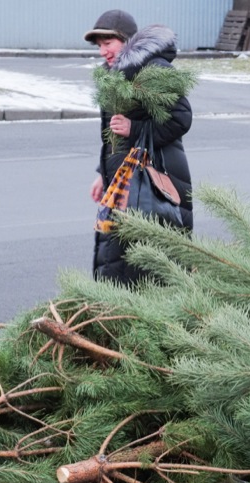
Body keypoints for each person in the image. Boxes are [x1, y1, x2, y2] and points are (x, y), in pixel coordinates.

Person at [84, 9, 194, 283]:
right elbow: (113, 134)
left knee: (144, 265)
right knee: (117, 260)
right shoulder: (114, 75)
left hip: (154, 179)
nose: (102, 52)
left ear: (126, 40)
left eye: (107, 44)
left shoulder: (153, 69)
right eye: (99, 46)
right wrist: (103, 172)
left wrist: (136, 129)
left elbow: (181, 118)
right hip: (123, 179)